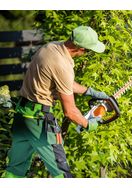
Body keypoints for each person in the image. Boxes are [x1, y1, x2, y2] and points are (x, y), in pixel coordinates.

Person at [4, 26, 109, 178]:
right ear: (78, 48)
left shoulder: (51, 47)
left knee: (15, 170)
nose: (87, 54)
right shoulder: (63, 65)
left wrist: (90, 92)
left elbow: (63, 83)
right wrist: (89, 124)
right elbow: (70, 112)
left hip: (22, 116)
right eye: (87, 51)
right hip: (39, 123)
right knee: (62, 174)